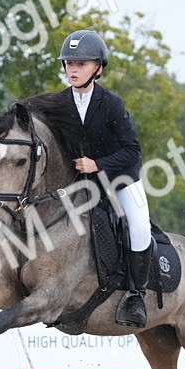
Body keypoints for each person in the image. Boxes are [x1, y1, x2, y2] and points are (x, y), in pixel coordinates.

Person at [59, 29, 152, 327]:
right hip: (80, 182)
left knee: (139, 227)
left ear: (98, 68)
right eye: (69, 64)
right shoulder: (59, 104)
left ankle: (136, 295)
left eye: (81, 64)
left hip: (120, 176)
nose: (73, 69)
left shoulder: (111, 103)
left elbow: (132, 150)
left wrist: (97, 164)